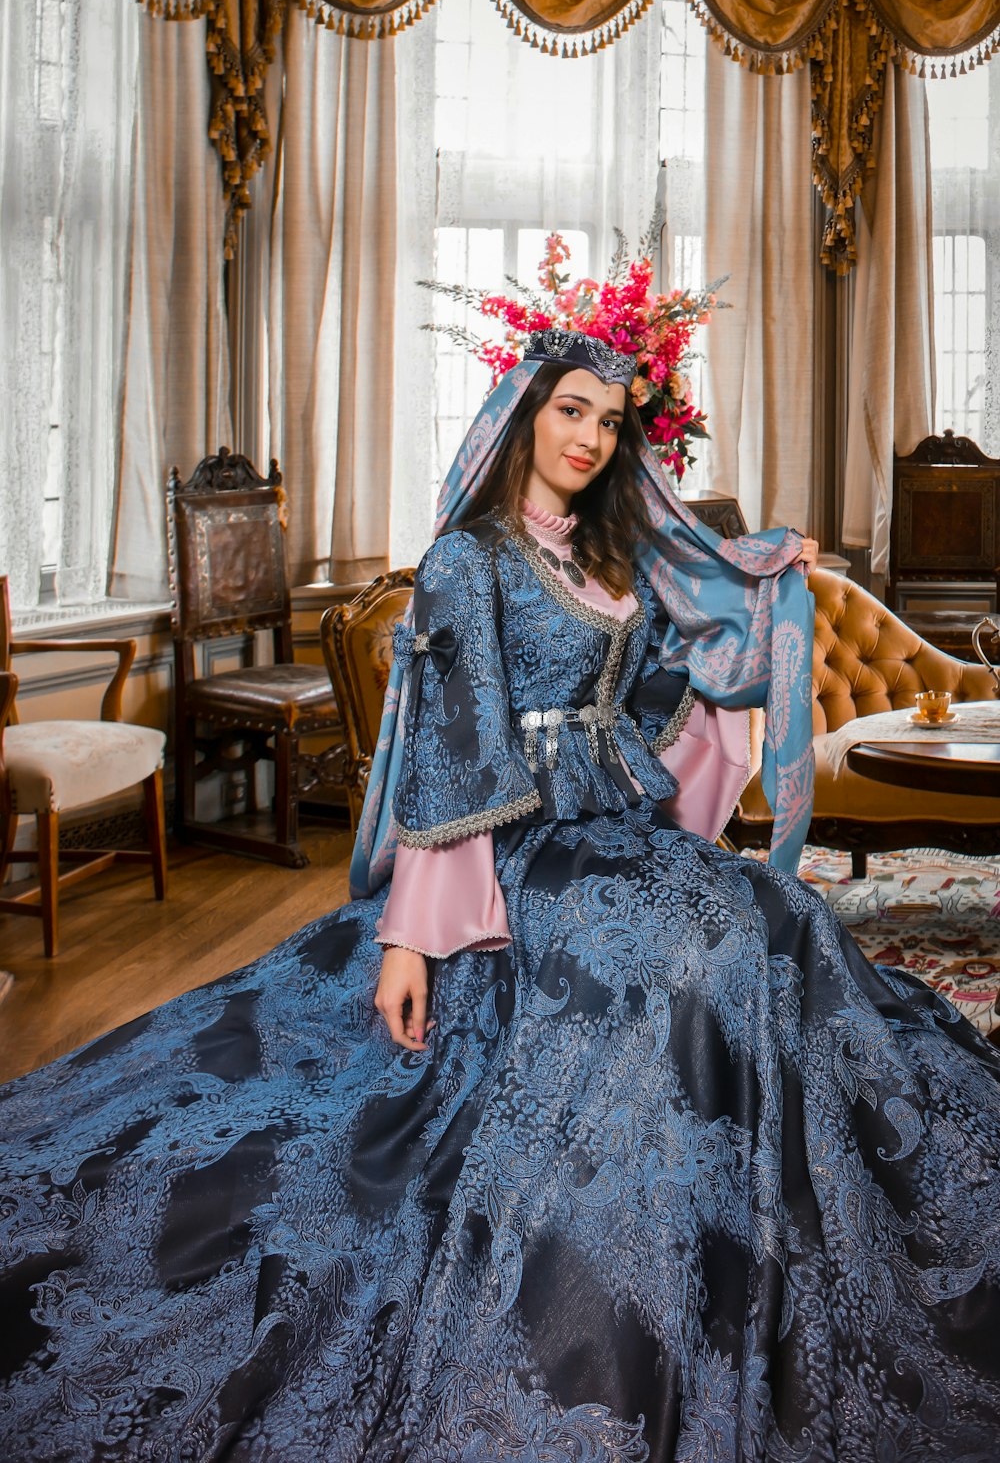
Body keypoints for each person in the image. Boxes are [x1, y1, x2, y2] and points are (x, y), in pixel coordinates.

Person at [1, 332, 999, 1461]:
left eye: (610, 422)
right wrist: (412, 942)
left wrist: (756, 576)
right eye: (572, 411)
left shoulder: (605, 554)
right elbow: (449, 749)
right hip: (521, 849)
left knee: (789, 921)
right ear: (523, 415)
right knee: (703, 950)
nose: (589, 438)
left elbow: (668, 682)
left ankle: (803, 1201)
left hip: (612, 829)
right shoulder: (466, 563)